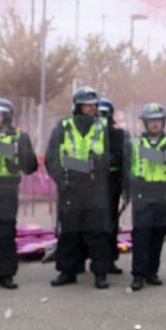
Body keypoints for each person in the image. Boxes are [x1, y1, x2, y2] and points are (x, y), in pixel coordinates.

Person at [46, 87, 113, 289]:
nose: (92, 108)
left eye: (94, 105)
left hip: (94, 188)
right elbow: (52, 158)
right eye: (87, 105)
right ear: (77, 106)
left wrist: (101, 162)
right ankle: (67, 272)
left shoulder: (102, 127)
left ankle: (100, 273)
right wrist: (62, 180)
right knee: (69, 233)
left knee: (97, 234)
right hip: (70, 187)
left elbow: (107, 155)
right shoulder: (63, 127)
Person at [0, 98, 38, 289]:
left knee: (4, 233)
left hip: (6, 191)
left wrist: (19, 158)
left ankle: (5, 274)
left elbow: (30, 166)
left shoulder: (19, 137)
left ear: (6, 116)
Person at [127, 103, 166, 291]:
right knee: (141, 235)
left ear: (163, 123)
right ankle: (138, 274)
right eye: (151, 121)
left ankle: (152, 272)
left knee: (157, 236)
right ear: (145, 123)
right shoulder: (134, 144)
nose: (155, 124)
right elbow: (127, 170)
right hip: (143, 194)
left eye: (158, 121)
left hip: (163, 194)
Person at [98, 97, 129, 275]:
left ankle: (109, 261)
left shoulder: (118, 134)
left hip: (111, 183)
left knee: (110, 224)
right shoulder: (89, 133)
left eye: (104, 114)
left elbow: (122, 157)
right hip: (90, 184)